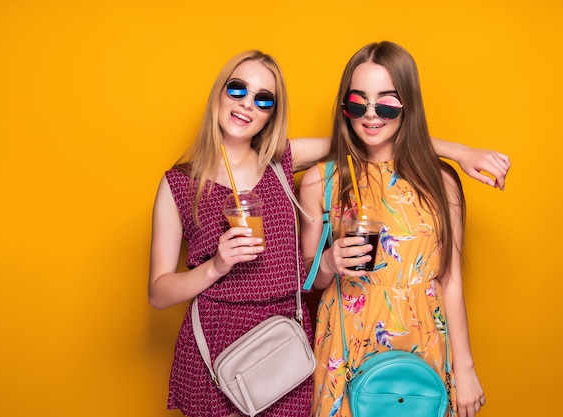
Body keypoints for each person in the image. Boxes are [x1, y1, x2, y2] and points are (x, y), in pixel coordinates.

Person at [149, 49, 508, 417]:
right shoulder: (180, 184)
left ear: (273, 112)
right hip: (224, 338)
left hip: (289, 340)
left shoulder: (278, 164)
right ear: (219, 93)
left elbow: (375, 138)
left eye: (264, 99)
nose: (247, 105)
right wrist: (216, 266)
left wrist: (460, 153)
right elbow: (158, 293)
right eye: (237, 90)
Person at [299, 41, 488, 417]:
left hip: (425, 342)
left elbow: (450, 280)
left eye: (386, 102)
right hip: (346, 343)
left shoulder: (441, 181)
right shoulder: (321, 179)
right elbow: (308, 280)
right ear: (344, 107)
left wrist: (464, 369)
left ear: (408, 105)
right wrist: (329, 262)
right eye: (358, 102)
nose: (371, 115)